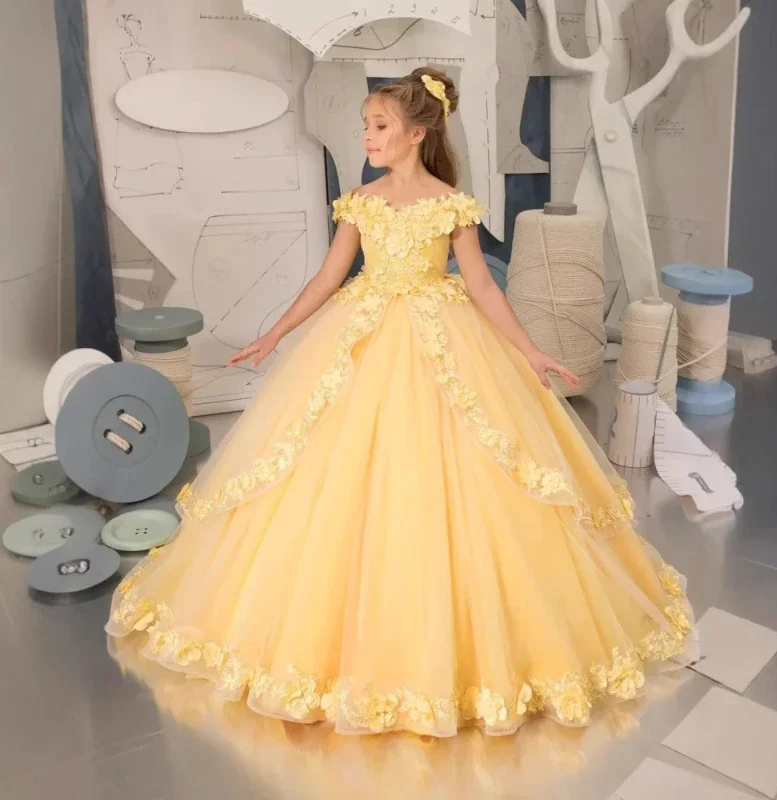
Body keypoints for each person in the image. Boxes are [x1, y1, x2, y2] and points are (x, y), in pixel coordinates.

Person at [106, 68, 697, 738]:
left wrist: (531, 353)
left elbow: (483, 287)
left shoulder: (452, 206)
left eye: (379, 125)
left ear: (417, 134)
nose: (367, 136)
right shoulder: (361, 202)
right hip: (363, 337)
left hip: (442, 340)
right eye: (366, 125)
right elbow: (330, 277)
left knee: (460, 477)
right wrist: (275, 332)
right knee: (328, 472)